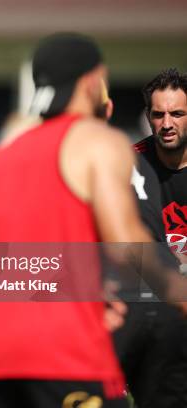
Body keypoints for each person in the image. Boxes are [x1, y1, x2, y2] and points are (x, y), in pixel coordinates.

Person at [0, 33, 185, 408]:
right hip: (69, 357)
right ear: (92, 81)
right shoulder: (100, 142)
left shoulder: (3, 156)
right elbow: (125, 243)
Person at [113, 68, 187, 408]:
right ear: (148, 117)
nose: (167, 123)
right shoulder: (128, 165)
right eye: (158, 115)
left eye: (177, 113)